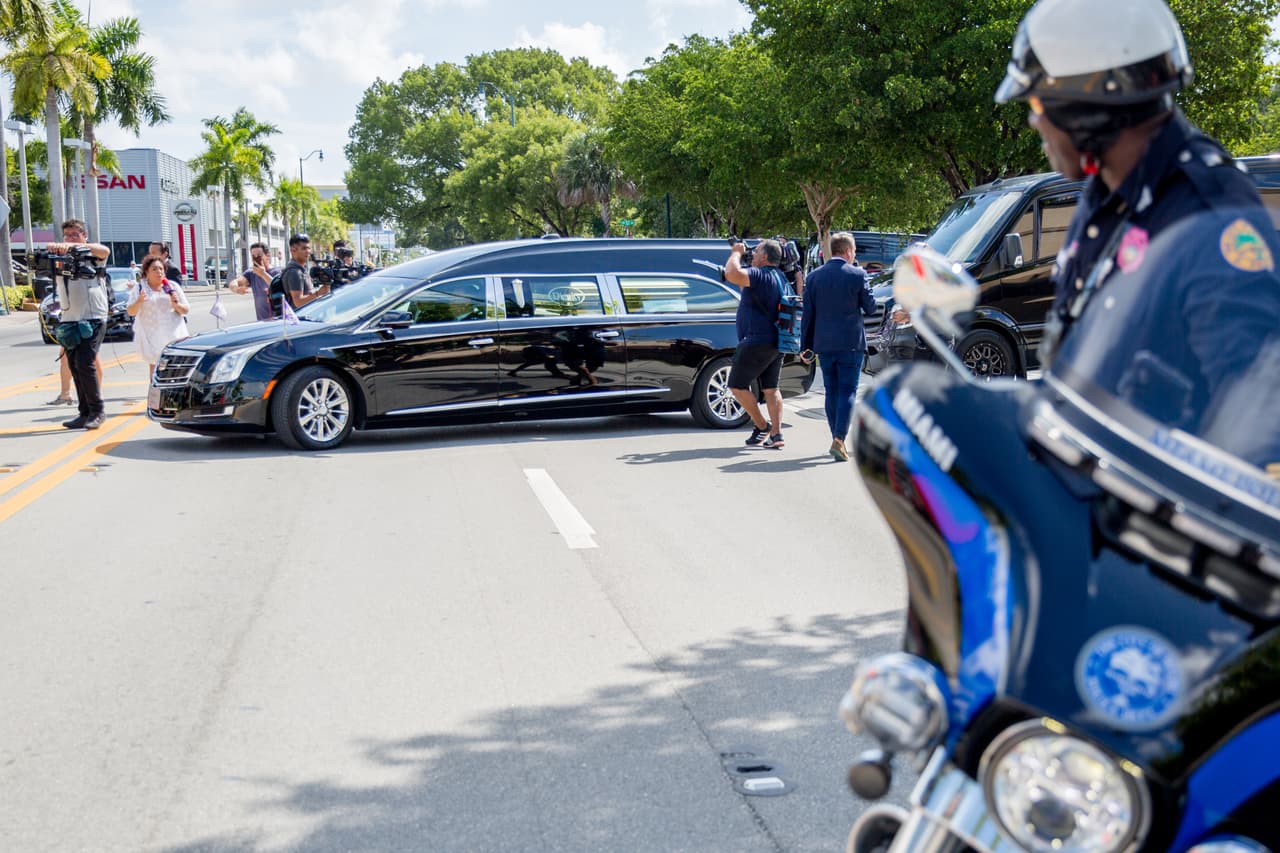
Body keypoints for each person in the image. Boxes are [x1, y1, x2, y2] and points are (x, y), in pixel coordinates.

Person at [995, 0, 1265, 365]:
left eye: (1039, 105)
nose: (1033, 121)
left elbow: (1254, 391)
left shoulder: (1207, 208)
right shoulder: (1104, 195)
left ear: (1086, 107)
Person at [800, 232, 878, 461]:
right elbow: (871, 307)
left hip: (824, 344)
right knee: (847, 391)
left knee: (831, 391)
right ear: (848, 251)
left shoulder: (814, 278)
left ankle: (836, 436)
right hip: (850, 343)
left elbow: (808, 316)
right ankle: (839, 439)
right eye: (853, 251)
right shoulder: (857, 274)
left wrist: (806, 346)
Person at [723, 238, 787, 449]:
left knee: (736, 385)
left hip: (755, 341)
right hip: (777, 340)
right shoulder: (779, 276)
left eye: (757, 251)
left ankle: (762, 425)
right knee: (771, 388)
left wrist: (736, 253)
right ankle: (777, 435)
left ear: (765, 256)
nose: (753, 254)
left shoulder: (761, 275)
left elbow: (732, 274)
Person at [48, 219, 111, 429]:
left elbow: (105, 251)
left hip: (93, 317)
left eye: (76, 235)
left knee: (86, 362)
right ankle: (84, 413)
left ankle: (98, 411)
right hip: (70, 319)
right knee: (74, 365)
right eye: (68, 236)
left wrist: (75, 247)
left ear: (84, 236)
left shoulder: (92, 255)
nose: (71, 239)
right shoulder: (59, 258)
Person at [127, 255, 190, 373]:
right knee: (156, 368)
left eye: (161, 269)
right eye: (154, 269)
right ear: (147, 271)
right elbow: (131, 311)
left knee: (176, 368)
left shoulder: (172, 286)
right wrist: (139, 301)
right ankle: (156, 391)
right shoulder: (140, 287)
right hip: (152, 335)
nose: (159, 272)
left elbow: (185, 309)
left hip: (173, 334)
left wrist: (176, 305)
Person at [228, 242, 279, 320]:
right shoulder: (251, 273)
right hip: (261, 322)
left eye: (259, 255)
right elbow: (235, 282)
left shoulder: (277, 272)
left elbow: (279, 287)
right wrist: (236, 289)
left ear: (268, 256)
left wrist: (263, 274)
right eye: (253, 256)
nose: (256, 258)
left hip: (279, 321)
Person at [279, 234, 329, 311]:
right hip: (300, 318)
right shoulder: (295, 272)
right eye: (304, 248)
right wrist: (318, 293)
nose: (308, 251)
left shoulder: (301, 269)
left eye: (309, 248)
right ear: (293, 250)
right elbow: (298, 302)